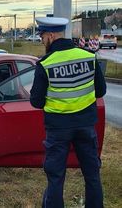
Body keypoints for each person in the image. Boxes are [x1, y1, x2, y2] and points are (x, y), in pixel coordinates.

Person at [30, 17, 106, 208]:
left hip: (58, 129)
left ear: (52, 35)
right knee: (92, 174)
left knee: (56, 177)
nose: (41, 40)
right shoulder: (88, 56)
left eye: (42, 36)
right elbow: (101, 91)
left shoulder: (45, 64)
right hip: (86, 125)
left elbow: (36, 102)